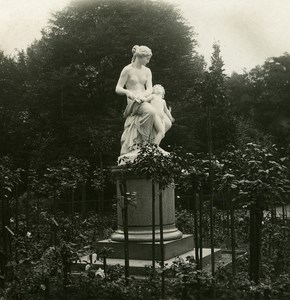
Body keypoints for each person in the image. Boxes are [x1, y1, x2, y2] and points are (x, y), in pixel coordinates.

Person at [115, 45, 158, 155]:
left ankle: (153, 141)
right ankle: (145, 142)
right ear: (140, 57)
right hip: (133, 102)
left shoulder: (147, 71)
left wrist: (143, 96)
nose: (148, 61)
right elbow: (118, 88)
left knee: (160, 114)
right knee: (151, 111)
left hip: (144, 99)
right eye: (147, 58)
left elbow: (150, 88)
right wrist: (127, 92)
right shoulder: (127, 69)